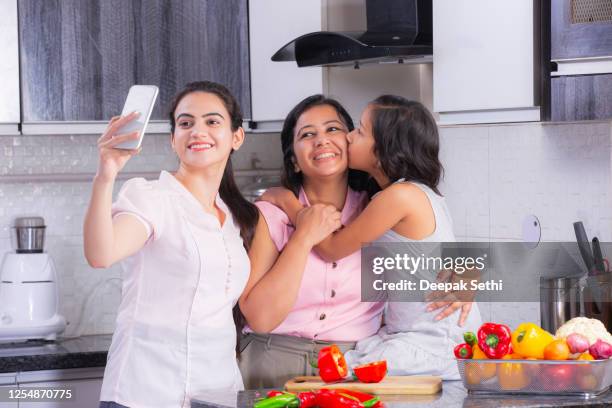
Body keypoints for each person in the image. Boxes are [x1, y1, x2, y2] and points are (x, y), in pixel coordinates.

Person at [262, 95, 482, 379]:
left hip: (430, 340)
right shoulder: (408, 194)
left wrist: (288, 202)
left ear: (382, 152)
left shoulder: (398, 198)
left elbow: (330, 248)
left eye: (360, 132)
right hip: (422, 334)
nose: (349, 137)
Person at [85, 81, 256, 408]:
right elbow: (100, 254)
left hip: (217, 393)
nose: (198, 131)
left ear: (237, 137)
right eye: (186, 123)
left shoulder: (233, 217)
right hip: (146, 391)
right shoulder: (151, 198)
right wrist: (105, 175)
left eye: (212, 121)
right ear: (173, 139)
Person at [237, 95, 384, 389]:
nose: (321, 140)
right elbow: (261, 318)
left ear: (351, 141)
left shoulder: (380, 210)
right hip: (271, 359)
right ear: (293, 159)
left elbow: (429, 263)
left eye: (332, 129)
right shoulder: (269, 215)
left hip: (356, 366)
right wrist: (302, 237)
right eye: (307, 134)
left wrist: (463, 277)